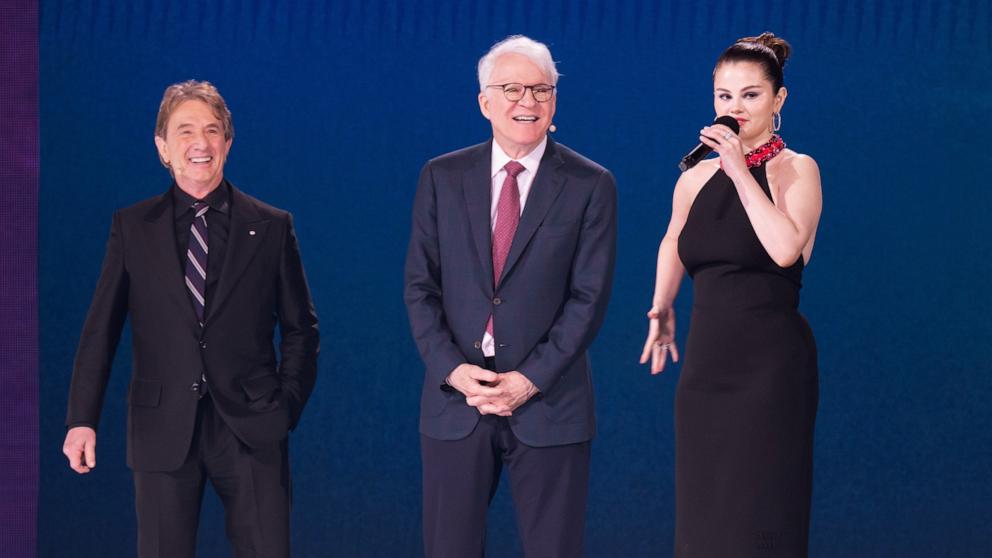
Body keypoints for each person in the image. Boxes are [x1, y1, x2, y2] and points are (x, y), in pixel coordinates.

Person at [62, 80, 319, 558]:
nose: (200, 143)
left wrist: (285, 407)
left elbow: (302, 328)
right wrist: (82, 419)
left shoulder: (271, 225)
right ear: (163, 147)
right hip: (162, 427)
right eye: (185, 131)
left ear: (227, 142)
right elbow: (101, 329)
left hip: (251, 426)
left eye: (212, 130)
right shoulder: (133, 227)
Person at [404, 35, 617, 557]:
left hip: (550, 405)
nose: (528, 102)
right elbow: (419, 287)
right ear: (484, 102)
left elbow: (588, 299)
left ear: (555, 102)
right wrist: (453, 370)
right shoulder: (441, 176)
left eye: (541, 90)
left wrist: (528, 380)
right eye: (513, 89)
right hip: (457, 402)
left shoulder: (591, 184)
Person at [639, 32, 822, 557]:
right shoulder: (695, 178)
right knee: (705, 519)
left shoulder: (797, 169)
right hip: (707, 365)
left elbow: (786, 247)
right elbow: (675, 238)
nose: (734, 107)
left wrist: (742, 170)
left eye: (750, 95)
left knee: (761, 513)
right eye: (724, 96)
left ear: (778, 100)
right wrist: (663, 306)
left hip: (770, 368)